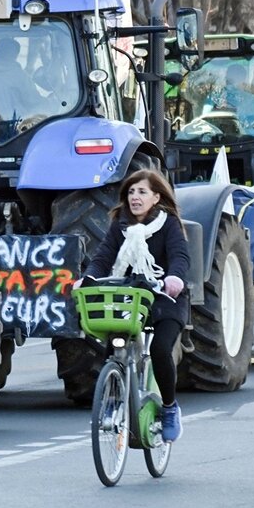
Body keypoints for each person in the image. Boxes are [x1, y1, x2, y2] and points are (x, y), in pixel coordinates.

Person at [75, 169, 190, 442]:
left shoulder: (169, 224)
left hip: (165, 297)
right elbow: (103, 257)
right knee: (113, 342)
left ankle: (169, 409)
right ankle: (112, 397)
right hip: (132, 297)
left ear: (156, 197)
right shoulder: (120, 225)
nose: (135, 197)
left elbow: (180, 256)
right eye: (130, 192)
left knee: (160, 349)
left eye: (142, 192)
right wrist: (87, 278)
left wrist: (174, 278)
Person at [219, 64, 254, 136]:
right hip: (249, 139)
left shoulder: (216, 97)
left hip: (217, 138)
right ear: (244, 80)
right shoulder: (253, 100)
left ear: (226, 79)